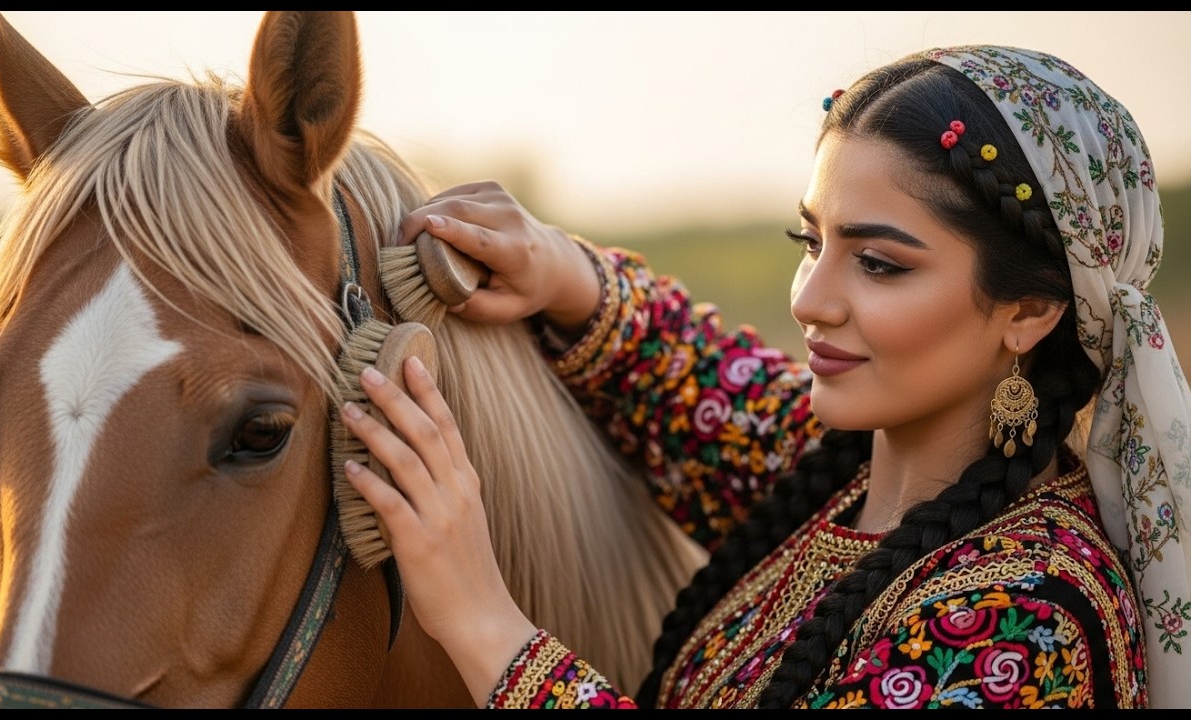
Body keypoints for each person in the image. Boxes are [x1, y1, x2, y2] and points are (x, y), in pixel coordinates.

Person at [339, 45, 1189, 709]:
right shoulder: (840, 483)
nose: (812, 300)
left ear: (1029, 313)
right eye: (810, 243)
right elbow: (705, 390)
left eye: (881, 265)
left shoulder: (1029, 619)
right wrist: (564, 272)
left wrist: (484, 624)